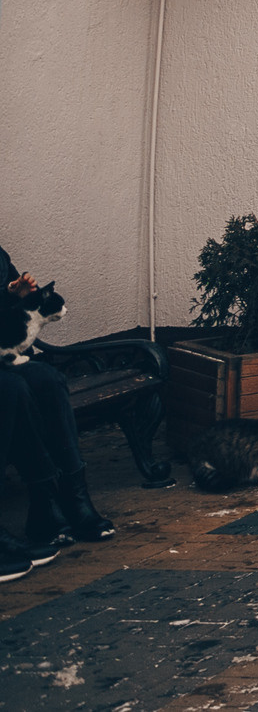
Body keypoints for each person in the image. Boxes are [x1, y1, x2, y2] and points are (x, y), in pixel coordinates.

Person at [0, 242, 117, 571]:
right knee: (13, 388)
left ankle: (70, 498)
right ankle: (44, 500)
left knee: (47, 381)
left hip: (6, 353)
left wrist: (18, 297)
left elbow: (12, 316)